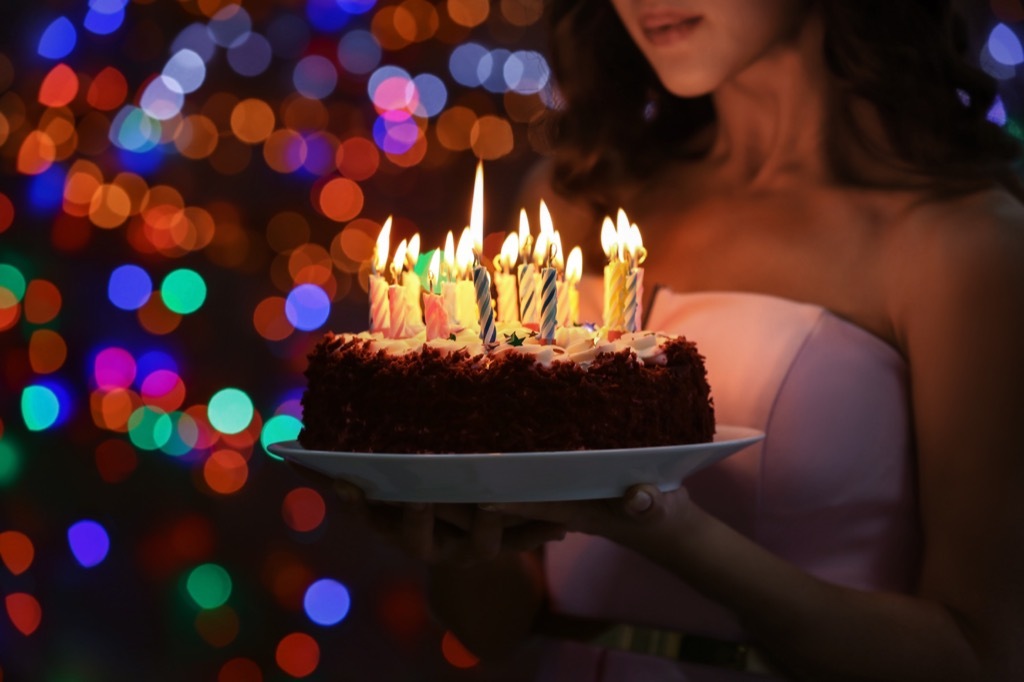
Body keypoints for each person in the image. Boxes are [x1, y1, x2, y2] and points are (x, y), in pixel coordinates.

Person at [296, 1, 1024, 679]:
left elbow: (981, 657)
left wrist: (671, 532)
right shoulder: (579, 198)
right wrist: (456, 541)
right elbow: (500, 628)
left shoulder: (961, 244)